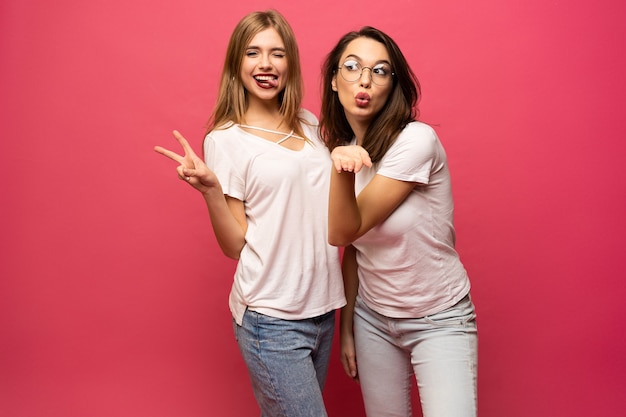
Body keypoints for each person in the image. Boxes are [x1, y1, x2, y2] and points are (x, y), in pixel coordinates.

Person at [154, 10, 345, 417]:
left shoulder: (309, 125)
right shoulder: (225, 140)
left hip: (324, 308)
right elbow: (234, 245)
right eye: (252, 53)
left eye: (276, 54)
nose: (265, 64)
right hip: (271, 317)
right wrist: (211, 192)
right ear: (236, 64)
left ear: (290, 62)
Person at [319, 26, 478, 417]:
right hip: (373, 319)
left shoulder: (416, 141)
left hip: (438, 316)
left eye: (380, 70)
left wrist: (340, 170)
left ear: (393, 85)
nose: (364, 80)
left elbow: (343, 231)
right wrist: (349, 328)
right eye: (352, 67)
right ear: (334, 82)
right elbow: (354, 251)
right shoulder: (348, 152)